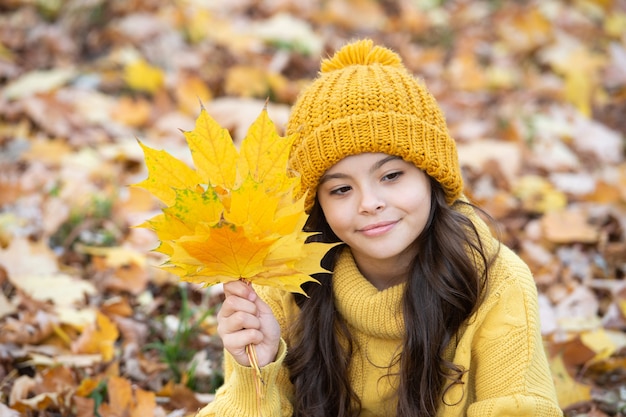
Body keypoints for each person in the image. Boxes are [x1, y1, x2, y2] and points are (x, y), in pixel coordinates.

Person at [196, 39, 563, 417]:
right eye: (341, 189)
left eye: (390, 175)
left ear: (431, 176)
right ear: (316, 204)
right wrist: (256, 368)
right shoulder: (279, 288)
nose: (369, 202)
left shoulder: (496, 281)